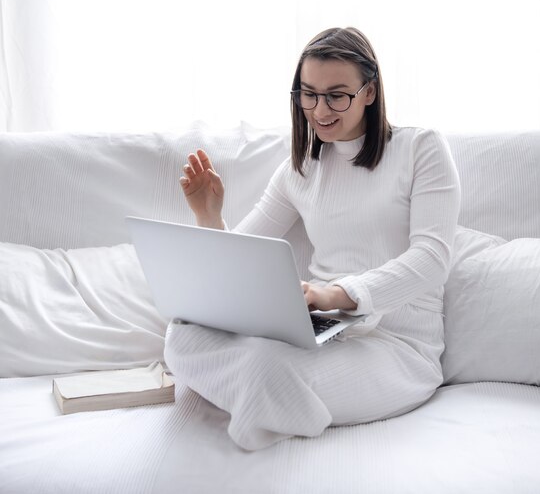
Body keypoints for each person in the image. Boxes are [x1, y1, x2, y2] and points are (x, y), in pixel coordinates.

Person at [165, 27, 461, 450]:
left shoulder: (421, 149)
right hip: (319, 331)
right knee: (182, 332)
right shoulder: (299, 170)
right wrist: (208, 217)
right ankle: (261, 394)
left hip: (396, 345)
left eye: (337, 95)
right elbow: (240, 260)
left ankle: (256, 394)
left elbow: (432, 259)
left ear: (370, 92)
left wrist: (335, 294)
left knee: (265, 369)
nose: (320, 109)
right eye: (308, 94)